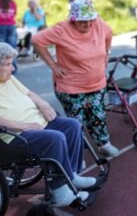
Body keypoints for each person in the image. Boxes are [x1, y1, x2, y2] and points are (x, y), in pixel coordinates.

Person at [0, 42, 96, 207]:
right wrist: (25, 126)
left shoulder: (9, 78)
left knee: (72, 125)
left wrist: (44, 104)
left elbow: (29, 93)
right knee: (55, 138)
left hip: (38, 124)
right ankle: (60, 192)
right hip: (14, 137)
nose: (13, 68)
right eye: (8, 64)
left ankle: (71, 175)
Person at [32, 0, 119, 157]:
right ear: (73, 19)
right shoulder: (62, 30)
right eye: (82, 21)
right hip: (71, 86)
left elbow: (109, 33)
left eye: (90, 20)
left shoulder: (97, 23)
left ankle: (103, 143)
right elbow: (37, 40)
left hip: (97, 83)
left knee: (98, 115)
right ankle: (78, 154)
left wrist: (107, 53)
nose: (88, 24)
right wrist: (53, 65)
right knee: (77, 123)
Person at [0, 0, 18, 72]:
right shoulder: (12, 2)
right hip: (11, 25)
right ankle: (13, 68)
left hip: (1, 26)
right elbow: (14, 14)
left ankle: (3, 68)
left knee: (2, 49)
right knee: (11, 48)